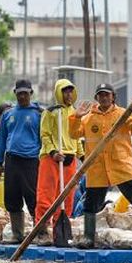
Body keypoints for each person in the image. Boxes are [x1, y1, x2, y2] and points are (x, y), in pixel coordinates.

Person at [73, 83, 132, 247]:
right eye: (101, 95)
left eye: (107, 94)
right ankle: (88, 238)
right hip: (97, 168)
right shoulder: (88, 117)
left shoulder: (123, 114)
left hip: (121, 165)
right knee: (91, 204)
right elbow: (74, 133)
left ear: (113, 97)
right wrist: (76, 117)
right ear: (96, 98)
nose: (104, 98)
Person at [0, 79, 42, 241]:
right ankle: (17, 234)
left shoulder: (39, 114)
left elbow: (44, 139)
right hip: (12, 160)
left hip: (31, 160)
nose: (22, 96)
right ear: (15, 93)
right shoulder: (8, 114)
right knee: (12, 198)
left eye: (25, 93)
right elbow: (1, 139)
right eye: (19, 93)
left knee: (33, 197)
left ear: (31, 93)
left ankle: (40, 233)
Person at [38, 79, 83, 246]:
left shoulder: (75, 113)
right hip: (51, 158)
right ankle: (42, 231)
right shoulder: (50, 112)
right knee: (46, 196)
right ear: (59, 93)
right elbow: (45, 135)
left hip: (69, 159)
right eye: (65, 91)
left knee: (67, 199)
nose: (69, 94)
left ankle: (59, 233)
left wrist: (82, 155)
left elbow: (76, 137)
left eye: (71, 91)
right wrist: (53, 152)